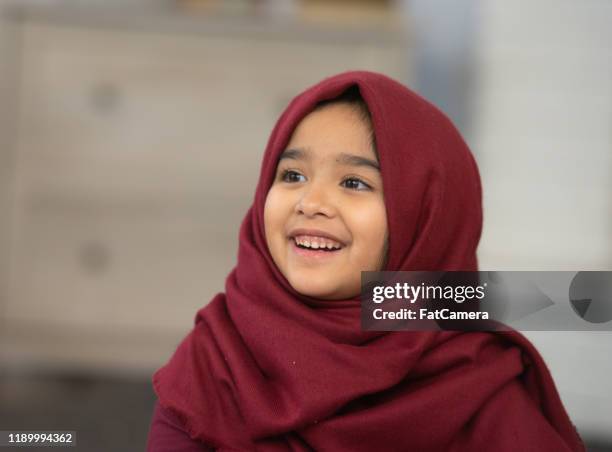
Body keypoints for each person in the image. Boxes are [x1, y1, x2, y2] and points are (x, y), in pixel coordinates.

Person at [146, 71, 585, 451]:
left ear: (426, 220)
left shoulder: (477, 383)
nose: (311, 202)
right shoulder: (219, 356)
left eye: (354, 182)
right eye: (292, 175)